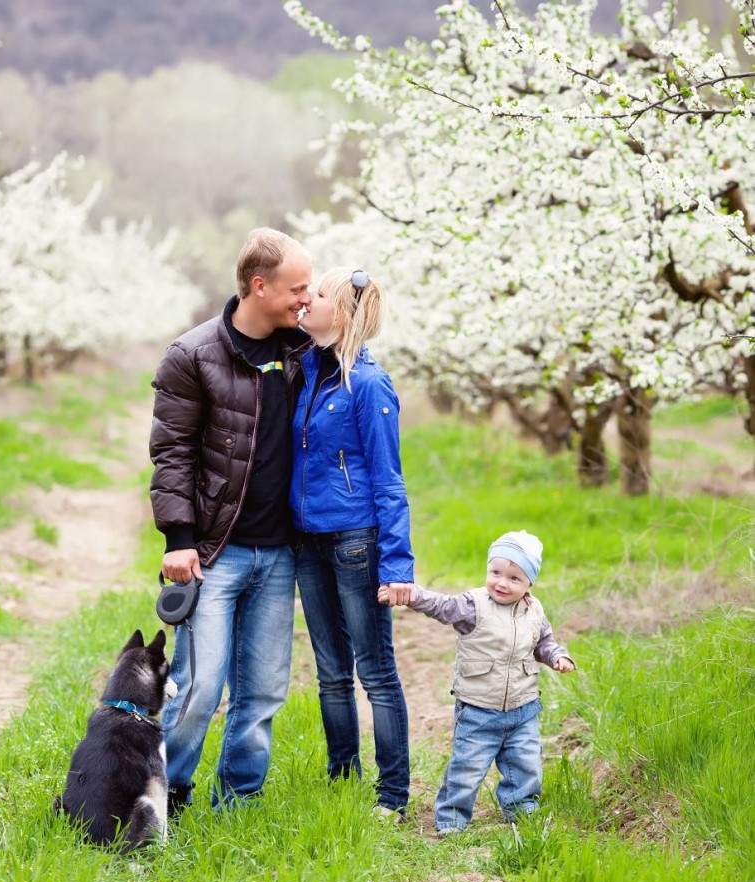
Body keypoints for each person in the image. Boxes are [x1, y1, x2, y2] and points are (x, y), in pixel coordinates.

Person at [149, 227, 312, 813]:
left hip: (282, 550)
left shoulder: (305, 351)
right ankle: (165, 790)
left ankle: (239, 798)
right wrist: (178, 539)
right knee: (196, 687)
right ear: (258, 285)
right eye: (297, 288)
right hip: (214, 551)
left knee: (264, 690)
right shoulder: (192, 355)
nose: (306, 298)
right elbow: (173, 454)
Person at [292, 266, 414, 821]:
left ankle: (392, 797)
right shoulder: (309, 370)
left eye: (315, 296)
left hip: (356, 542)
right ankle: (343, 781)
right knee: (331, 672)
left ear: (340, 313)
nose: (304, 301)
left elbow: (390, 479)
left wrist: (398, 566)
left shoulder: (368, 384)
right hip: (308, 541)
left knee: (376, 672)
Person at [378, 530, 575, 834]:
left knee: (525, 764)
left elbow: (544, 642)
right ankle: (452, 819)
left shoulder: (534, 610)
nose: (501, 582)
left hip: (523, 707)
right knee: (466, 768)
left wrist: (557, 656)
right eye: (495, 572)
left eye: (513, 578)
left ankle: (521, 808)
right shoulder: (474, 606)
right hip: (479, 709)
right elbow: (440, 606)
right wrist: (412, 595)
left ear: (528, 584)